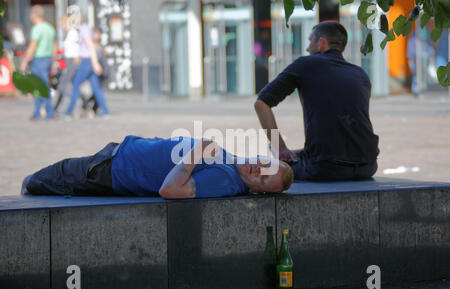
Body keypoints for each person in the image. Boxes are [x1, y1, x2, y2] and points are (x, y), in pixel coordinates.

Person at [254, 21, 379, 182]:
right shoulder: (360, 74)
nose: (307, 48)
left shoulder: (305, 64)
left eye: (310, 41)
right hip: (367, 166)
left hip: (325, 168)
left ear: (321, 43)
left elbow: (261, 103)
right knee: (300, 155)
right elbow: (343, 130)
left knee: (274, 170)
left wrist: (281, 149)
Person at [21, 136, 294, 199]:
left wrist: (196, 151)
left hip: (110, 171)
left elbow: (170, 189)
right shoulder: (232, 161)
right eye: (266, 164)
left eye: (265, 178)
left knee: (33, 183)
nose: (260, 169)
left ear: (259, 192)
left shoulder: (225, 180)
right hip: (115, 157)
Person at [64, 17, 110, 120]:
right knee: (96, 87)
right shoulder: (84, 29)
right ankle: (106, 111)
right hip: (88, 61)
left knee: (76, 85)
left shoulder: (83, 29)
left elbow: (90, 47)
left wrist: (95, 63)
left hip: (87, 61)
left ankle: (68, 111)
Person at [20, 5, 57, 120]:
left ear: (34, 15)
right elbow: (54, 46)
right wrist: (54, 62)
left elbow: (33, 46)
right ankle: (45, 111)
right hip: (48, 59)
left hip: (38, 59)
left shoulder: (37, 28)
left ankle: (42, 112)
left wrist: (25, 61)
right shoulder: (50, 28)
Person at [54, 14, 81, 112]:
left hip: (72, 61)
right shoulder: (70, 33)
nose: (61, 25)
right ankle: (86, 105)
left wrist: (77, 57)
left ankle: (55, 108)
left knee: (63, 84)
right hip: (69, 61)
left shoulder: (73, 33)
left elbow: (78, 46)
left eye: (62, 23)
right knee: (73, 84)